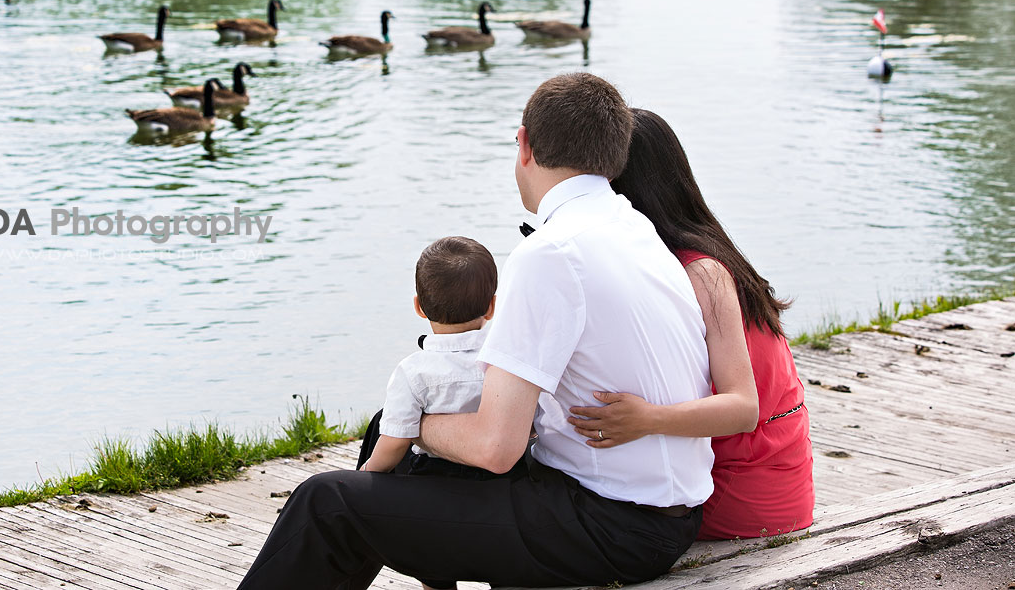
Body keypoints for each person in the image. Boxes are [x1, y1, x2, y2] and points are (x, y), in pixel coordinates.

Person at [237, 73, 715, 590]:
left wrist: (411, 421)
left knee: (326, 501)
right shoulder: (634, 229)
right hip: (664, 515)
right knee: (385, 430)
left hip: (607, 525)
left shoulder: (550, 253)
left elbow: (495, 447)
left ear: (525, 144)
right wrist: (400, 424)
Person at [567, 108, 814, 540]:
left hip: (744, 495)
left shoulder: (697, 273)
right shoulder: (704, 251)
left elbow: (743, 410)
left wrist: (647, 419)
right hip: (778, 483)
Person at [358, 235, 500, 479]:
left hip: (434, 479)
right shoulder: (504, 360)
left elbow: (394, 444)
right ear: (491, 307)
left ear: (419, 307)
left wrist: (365, 472)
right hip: (499, 479)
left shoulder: (413, 371)